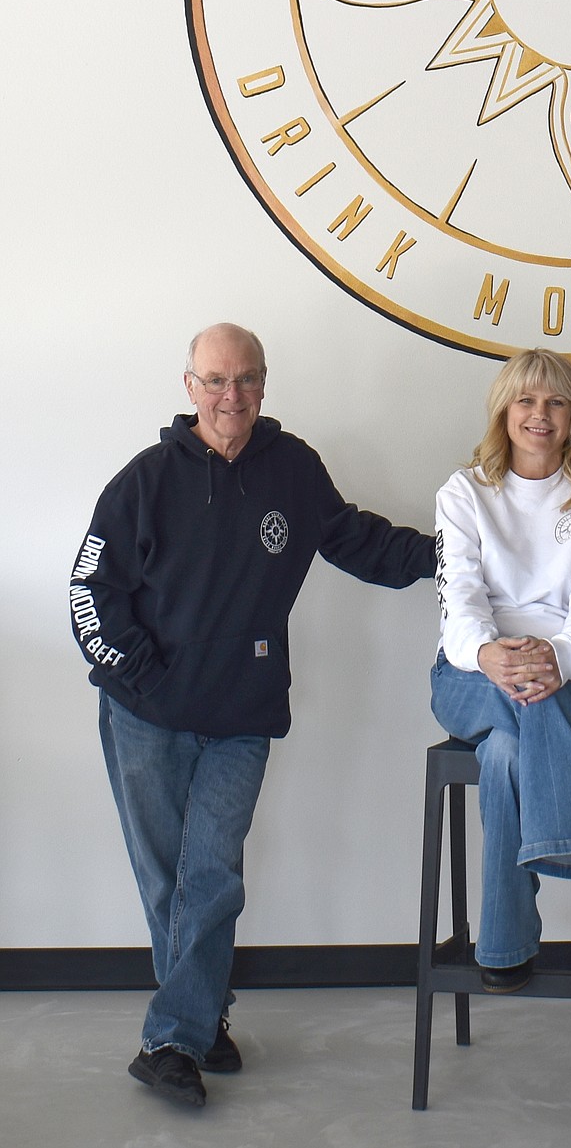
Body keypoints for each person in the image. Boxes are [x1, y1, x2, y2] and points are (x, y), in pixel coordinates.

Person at [69, 323, 436, 1110]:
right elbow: (89, 591)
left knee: (211, 873)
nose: (229, 395)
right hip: (145, 716)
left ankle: (170, 1040)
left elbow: (359, 542)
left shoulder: (293, 470)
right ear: (190, 385)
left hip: (242, 713)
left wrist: (454, 554)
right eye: (214, 380)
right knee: (169, 878)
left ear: (264, 384)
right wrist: (146, 671)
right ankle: (202, 1016)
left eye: (245, 379)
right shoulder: (145, 480)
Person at [431, 347, 571, 992]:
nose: (539, 414)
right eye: (525, 399)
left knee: (506, 755)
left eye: (556, 401)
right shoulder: (463, 491)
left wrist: (558, 657)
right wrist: (493, 655)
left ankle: (503, 947)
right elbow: (460, 598)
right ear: (503, 409)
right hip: (472, 677)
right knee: (525, 702)